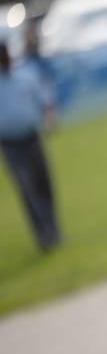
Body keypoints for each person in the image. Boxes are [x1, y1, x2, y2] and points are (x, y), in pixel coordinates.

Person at [0, 41, 60, 251]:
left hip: (31, 137)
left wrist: (50, 117)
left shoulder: (24, 75)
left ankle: (53, 227)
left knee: (43, 182)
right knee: (27, 188)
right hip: (9, 144)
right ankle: (43, 234)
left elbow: (44, 97)